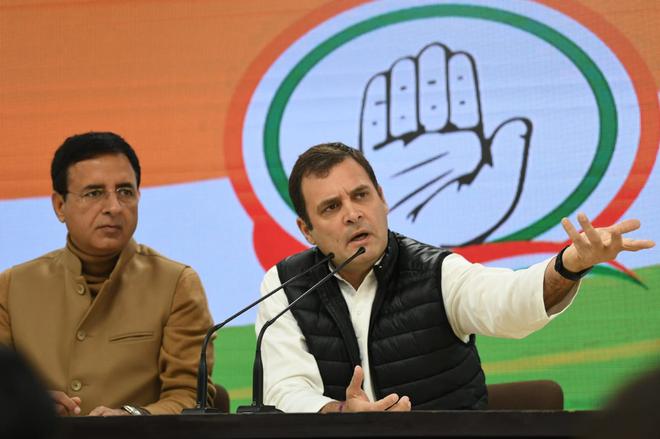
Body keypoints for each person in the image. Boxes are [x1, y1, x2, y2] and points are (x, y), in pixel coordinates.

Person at [256, 142, 654, 413]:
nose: (353, 213)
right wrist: (341, 414)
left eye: (361, 195)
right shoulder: (286, 285)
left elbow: (509, 301)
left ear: (381, 196)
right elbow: (285, 387)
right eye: (331, 207)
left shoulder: (435, 271)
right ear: (306, 229)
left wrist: (568, 265)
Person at [0, 132, 215, 416]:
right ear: (60, 206)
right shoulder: (13, 286)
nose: (113, 207)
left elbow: (190, 397)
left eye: (125, 192)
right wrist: (28, 406)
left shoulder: (176, 284)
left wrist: (132, 418)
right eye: (94, 193)